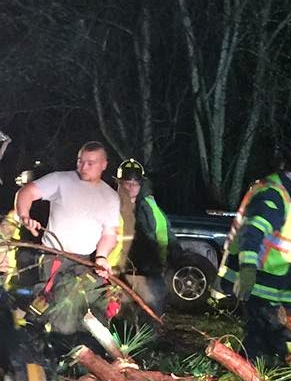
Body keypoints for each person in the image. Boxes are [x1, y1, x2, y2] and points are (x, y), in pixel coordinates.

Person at [211, 143, 291, 364]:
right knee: (263, 339)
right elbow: (253, 233)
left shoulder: (289, 196)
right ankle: (258, 380)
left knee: (290, 334)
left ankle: (286, 376)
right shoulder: (273, 195)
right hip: (262, 284)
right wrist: (247, 269)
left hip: (282, 283)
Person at [14, 141, 120, 341]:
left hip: (85, 262)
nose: (83, 167)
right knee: (55, 306)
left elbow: (109, 233)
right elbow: (26, 193)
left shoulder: (110, 197)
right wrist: (24, 216)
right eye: (80, 161)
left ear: (104, 165)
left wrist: (102, 257)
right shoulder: (61, 180)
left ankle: (84, 352)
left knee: (88, 306)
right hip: (54, 257)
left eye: (90, 163)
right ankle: (44, 345)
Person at [109, 158, 179, 317]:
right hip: (119, 274)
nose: (131, 187)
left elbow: (163, 232)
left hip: (148, 273)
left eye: (135, 183)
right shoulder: (108, 204)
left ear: (141, 185)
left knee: (150, 316)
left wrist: (167, 258)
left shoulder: (149, 206)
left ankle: (148, 341)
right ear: (119, 183)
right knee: (120, 318)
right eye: (126, 182)